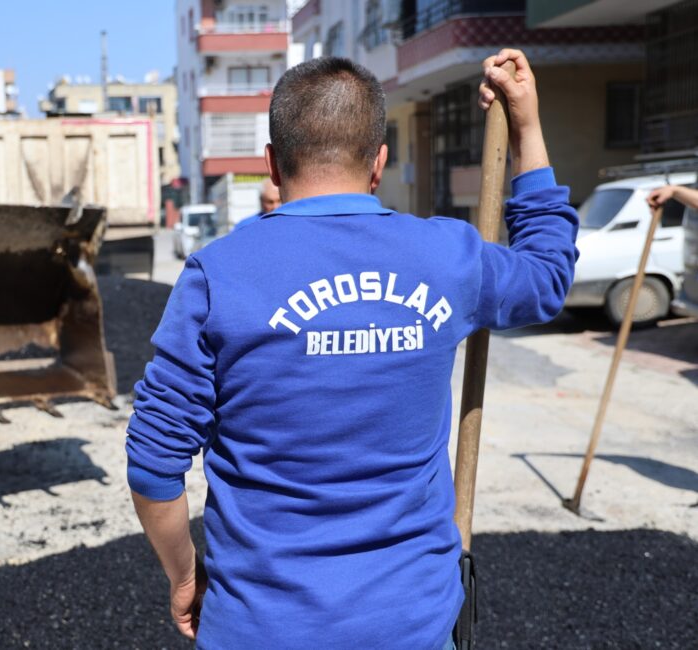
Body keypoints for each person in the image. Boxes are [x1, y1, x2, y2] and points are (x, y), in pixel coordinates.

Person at [125, 49, 578, 649]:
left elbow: (154, 461)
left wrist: (185, 576)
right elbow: (546, 274)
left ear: (272, 163)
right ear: (379, 162)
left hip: (260, 629)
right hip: (411, 626)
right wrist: (526, 125)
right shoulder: (446, 257)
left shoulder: (219, 274)